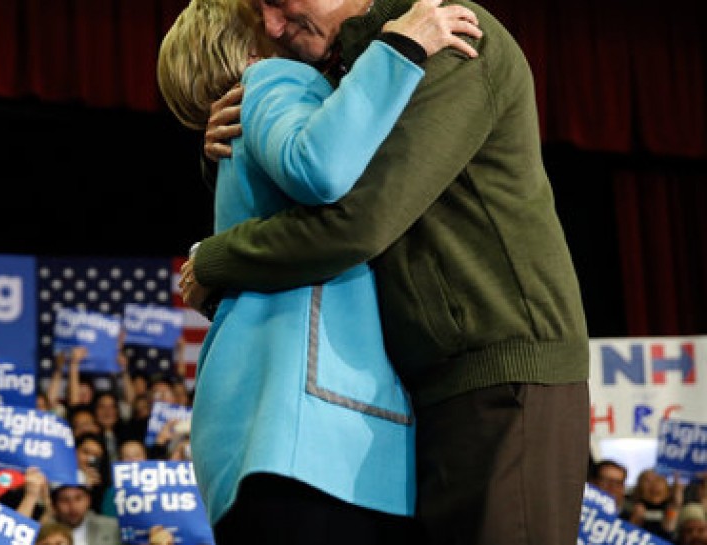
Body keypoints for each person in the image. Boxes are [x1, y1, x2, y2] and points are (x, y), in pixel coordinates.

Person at [179, 0, 591, 544]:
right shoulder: (349, 70)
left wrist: (214, 260)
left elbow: (355, 224)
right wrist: (232, 151)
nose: (272, 25)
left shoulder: (446, 31)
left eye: (280, 3)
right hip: (426, 389)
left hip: (499, 371)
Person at [49, 483, 120, 545]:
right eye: (64, 500)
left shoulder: (112, 527)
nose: (73, 507)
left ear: (88, 500)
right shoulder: (44, 532)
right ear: (54, 505)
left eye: (78, 498)